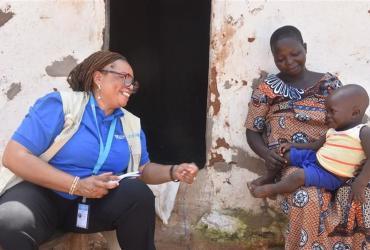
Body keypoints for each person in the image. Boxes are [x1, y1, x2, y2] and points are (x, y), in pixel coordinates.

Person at [0, 51, 199, 250]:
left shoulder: (130, 124)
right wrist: (76, 185)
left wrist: (173, 171)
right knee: (12, 220)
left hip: (90, 204)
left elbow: (142, 170)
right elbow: (14, 156)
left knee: (139, 195)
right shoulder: (61, 105)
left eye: (132, 82)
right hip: (43, 195)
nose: (129, 86)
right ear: (98, 78)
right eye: (124, 78)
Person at [245, 25, 369, 249]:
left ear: (305, 48)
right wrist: (266, 155)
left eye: (295, 54)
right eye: (280, 58)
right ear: (273, 58)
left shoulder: (330, 84)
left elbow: (355, 120)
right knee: (308, 197)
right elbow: (252, 130)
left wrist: (359, 161)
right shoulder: (266, 89)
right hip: (291, 160)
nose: (289, 61)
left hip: (337, 157)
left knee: (362, 196)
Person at [249, 84, 370, 201]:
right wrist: (292, 145)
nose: (326, 116)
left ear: (355, 113)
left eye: (332, 111)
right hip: (315, 158)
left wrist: (361, 181)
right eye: (326, 111)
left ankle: (272, 190)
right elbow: (314, 146)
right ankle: (269, 177)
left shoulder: (363, 133)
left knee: (298, 176)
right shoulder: (333, 130)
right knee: (283, 155)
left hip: (332, 175)